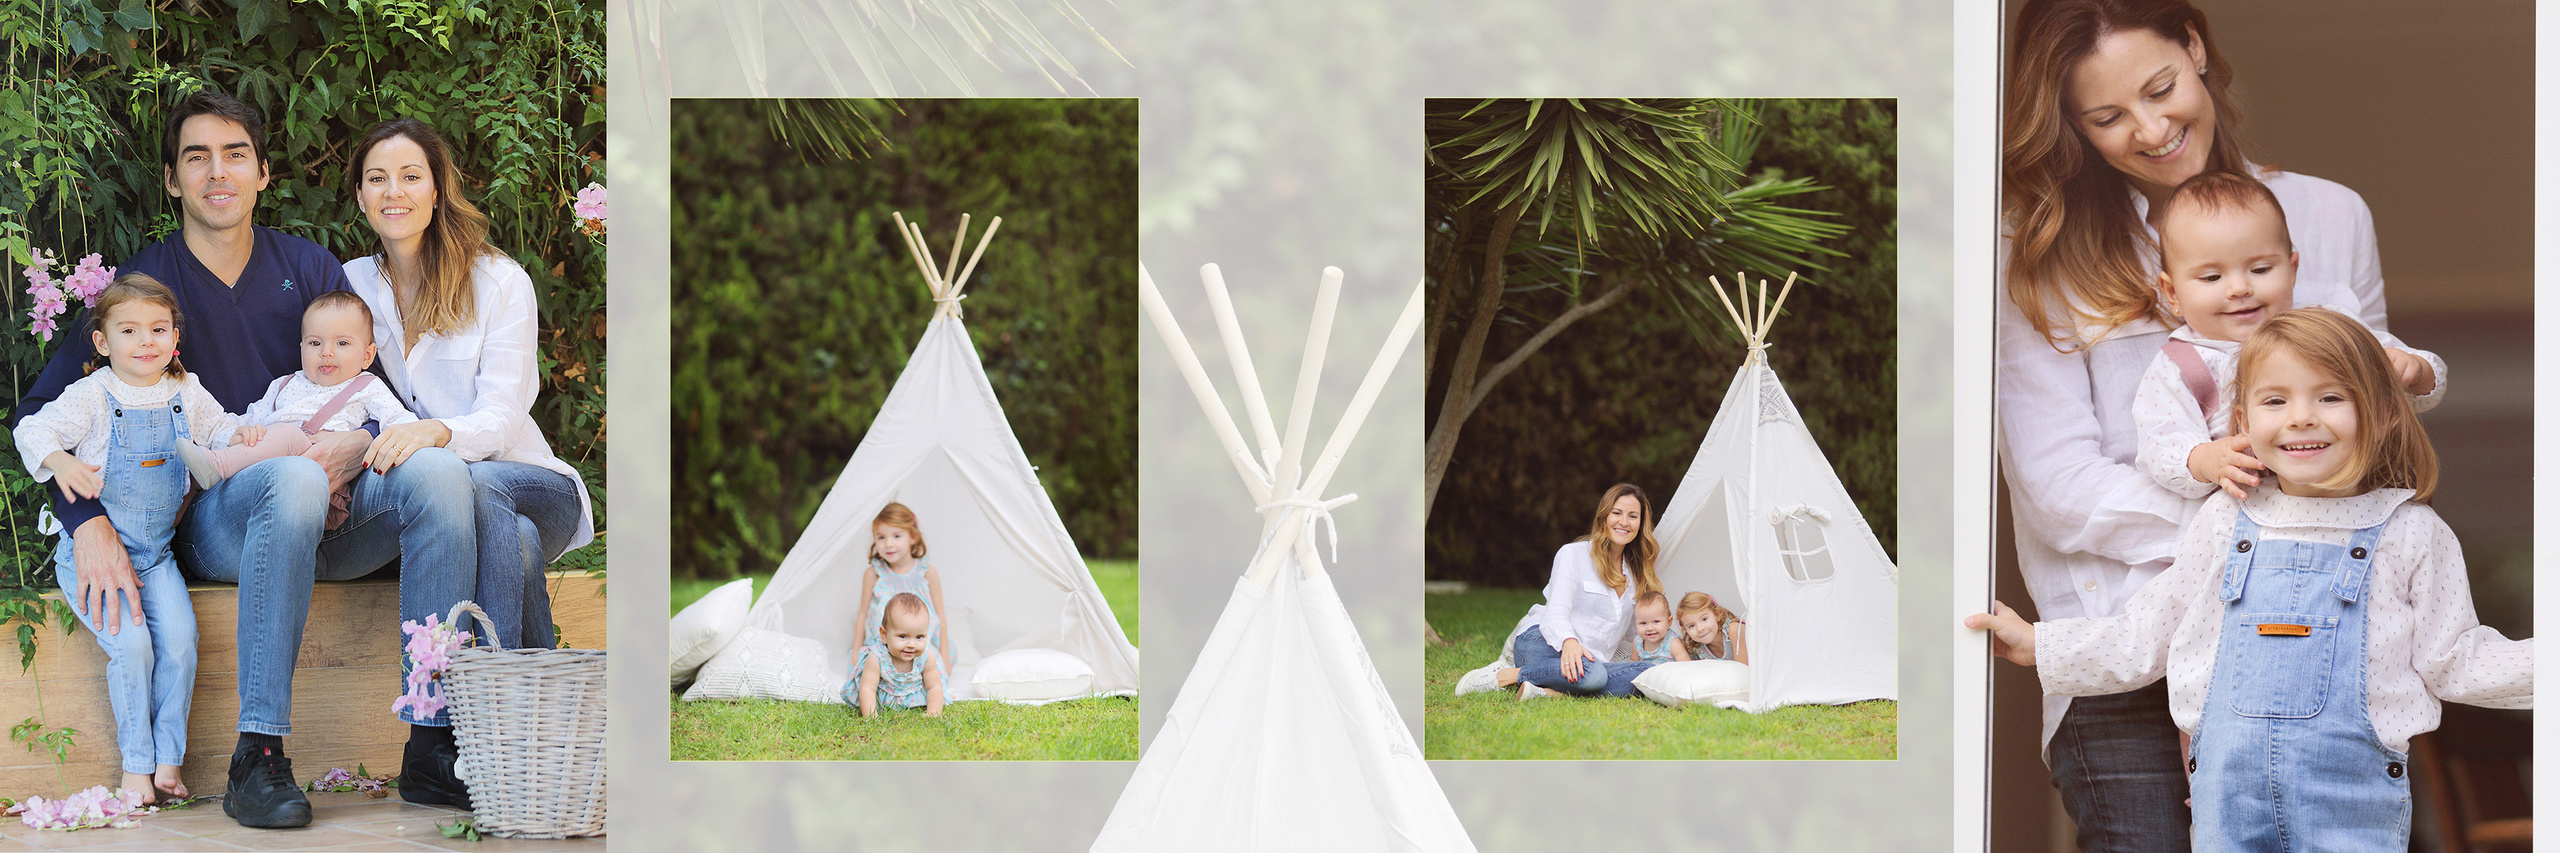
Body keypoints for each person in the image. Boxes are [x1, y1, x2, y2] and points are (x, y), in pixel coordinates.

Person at [1997, 1, 2442, 846]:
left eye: (2161, 89)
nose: (2151, 128)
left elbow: (2374, 437)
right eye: (2107, 117)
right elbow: (2058, 486)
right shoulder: (2036, 252)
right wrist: (2253, 523)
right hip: (2127, 654)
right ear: (2072, 128)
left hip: (2316, 640)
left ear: (2195, 48)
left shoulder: (2330, 216)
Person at [12, 90, 476, 829]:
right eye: (197, 157)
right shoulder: (145, 288)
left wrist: (359, 443)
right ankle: (258, 753)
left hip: (337, 513)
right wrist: (87, 521)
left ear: (263, 172)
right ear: (172, 179)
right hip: (213, 524)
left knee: (442, 474)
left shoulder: (309, 265)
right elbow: (38, 414)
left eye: (235, 155)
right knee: (288, 476)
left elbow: (372, 393)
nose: (217, 172)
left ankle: (431, 736)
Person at [1969, 308, 2530, 850]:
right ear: (2242, 421)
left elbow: (2458, 659)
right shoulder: (2224, 520)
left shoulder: (2412, 533)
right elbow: (2149, 632)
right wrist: (2040, 644)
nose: (2301, 417)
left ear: (2383, 413)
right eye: (2275, 400)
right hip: (2227, 807)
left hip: (2351, 808)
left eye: (2331, 397)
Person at [13, 276, 240, 803]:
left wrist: (241, 436)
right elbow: (32, 430)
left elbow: (220, 428)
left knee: (181, 643)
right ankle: (135, 768)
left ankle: (168, 762)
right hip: (95, 556)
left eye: (159, 329)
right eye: (130, 330)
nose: (146, 342)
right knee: (133, 647)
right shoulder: (92, 394)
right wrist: (61, 460)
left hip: (156, 558)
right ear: (102, 342)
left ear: (174, 336)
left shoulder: (186, 390)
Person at [2130, 171, 2442, 501]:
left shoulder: (2325, 328)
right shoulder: (2182, 366)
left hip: (2353, 504)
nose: (2239, 288)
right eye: (2211, 277)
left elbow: (2423, 392)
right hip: (2251, 527)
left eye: (2260, 270)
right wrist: (2204, 461)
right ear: (2172, 292)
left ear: (2292, 270)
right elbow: (2159, 444)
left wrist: (2416, 370)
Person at [175, 291, 418, 532]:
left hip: (321, 479)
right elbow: (250, 418)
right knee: (261, 436)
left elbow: (400, 423)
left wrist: (420, 434)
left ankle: (217, 466)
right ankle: (206, 474)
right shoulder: (284, 384)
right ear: (301, 348)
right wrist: (239, 434)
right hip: (262, 475)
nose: (327, 352)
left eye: (342, 343)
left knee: (290, 436)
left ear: (367, 356)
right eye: (315, 343)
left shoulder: (367, 386)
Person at [1505, 483, 1662, 699]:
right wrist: (1569, 642)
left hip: (1591, 659)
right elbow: (1555, 614)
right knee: (1595, 674)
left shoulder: (1637, 575)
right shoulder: (1573, 554)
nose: (1624, 522)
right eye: (1617, 513)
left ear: (1641, 523)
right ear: (1604, 516)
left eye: (1633, 516)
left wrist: (1666, 652)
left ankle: (1552, 693)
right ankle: (1511, 675)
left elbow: (1636, 633)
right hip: (1543, 642)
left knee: (1648, 674)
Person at [852, 503, 953, 668]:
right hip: (883, 650)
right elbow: (862, 615)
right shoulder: (873, 574)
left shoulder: (927, 573)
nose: (888, 544)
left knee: (930, 679)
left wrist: (945, 656)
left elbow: (940, 615)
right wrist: (856, 652)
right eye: (881, 537)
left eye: (896, 536)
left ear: (912, 537)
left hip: (919, 649)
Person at [848, 593, 948, 717]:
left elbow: (934, 686)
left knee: (938, 688)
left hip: (914, 695)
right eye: (902, 636)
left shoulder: (926, 657)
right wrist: (871, 717)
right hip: (886, 698)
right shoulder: (877, 657)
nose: (911, 644)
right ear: (884, 635)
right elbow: (868, 688)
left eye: (919, 637)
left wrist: (933, 712)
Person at [1675, 591, 1748, 663]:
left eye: (1704, 619)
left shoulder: (1735, 630)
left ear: (1716, 615)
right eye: (1691, 626)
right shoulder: (1697, 648)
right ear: (1685, 630)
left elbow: (1743, 669)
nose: (1700, 629)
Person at [1629, 591, 1688, 665]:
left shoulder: (1672, 642)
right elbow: (1634, 661)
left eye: (1656, 622)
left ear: (1668, 622)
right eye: (1643, 623)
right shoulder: (1638, 642)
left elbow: (1686, 665)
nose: (1649, 628)